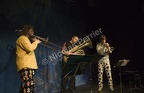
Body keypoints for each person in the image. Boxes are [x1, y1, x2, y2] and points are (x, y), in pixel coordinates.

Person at [16, 25, 41, 93]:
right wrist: (36, 42)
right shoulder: (22, 38)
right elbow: (29, 48)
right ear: (26, 31)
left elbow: (29, 50)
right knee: (28, 86)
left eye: (33, 30)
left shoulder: (26, 39)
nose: (32, 32)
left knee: (26, 86)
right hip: (25, 65)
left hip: (27, 65)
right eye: (30, 30)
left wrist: (33, 42)